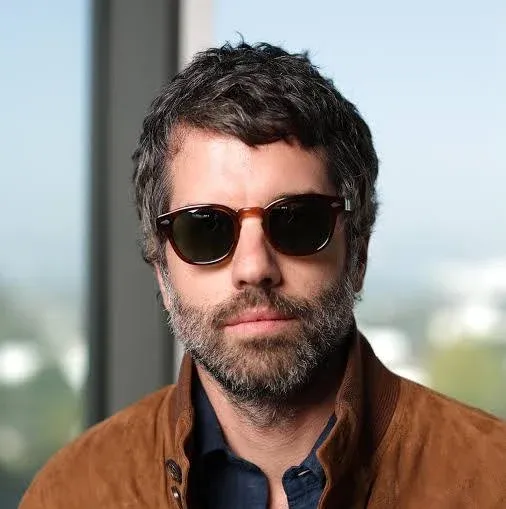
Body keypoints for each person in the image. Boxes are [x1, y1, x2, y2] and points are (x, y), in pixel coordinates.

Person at [20, 41, 506, 509]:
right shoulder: (70, 493)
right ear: (163, 273)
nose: (254, 268)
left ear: (357, 252)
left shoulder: (493, 480)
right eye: (205, 229)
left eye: (297, 221)